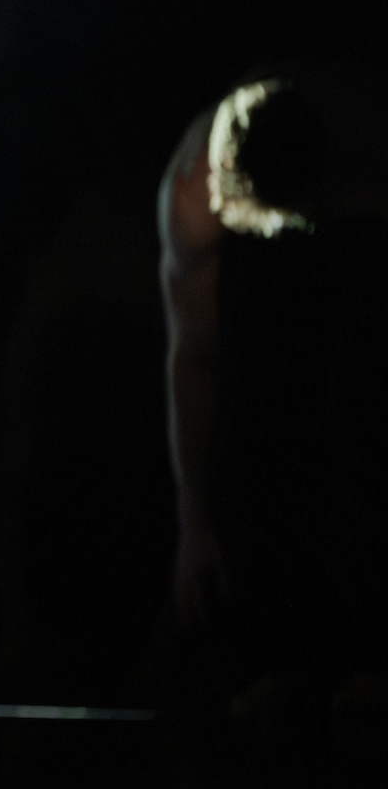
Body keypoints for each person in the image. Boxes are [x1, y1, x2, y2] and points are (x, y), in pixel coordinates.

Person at [158, 67, 388, 711]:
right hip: (268, 268)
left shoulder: (364, 150)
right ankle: (292, 655)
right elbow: (193, 362)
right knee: (260, 406)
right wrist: (193, 520)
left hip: (358, 231)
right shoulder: (192, 195)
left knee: (361, 410)